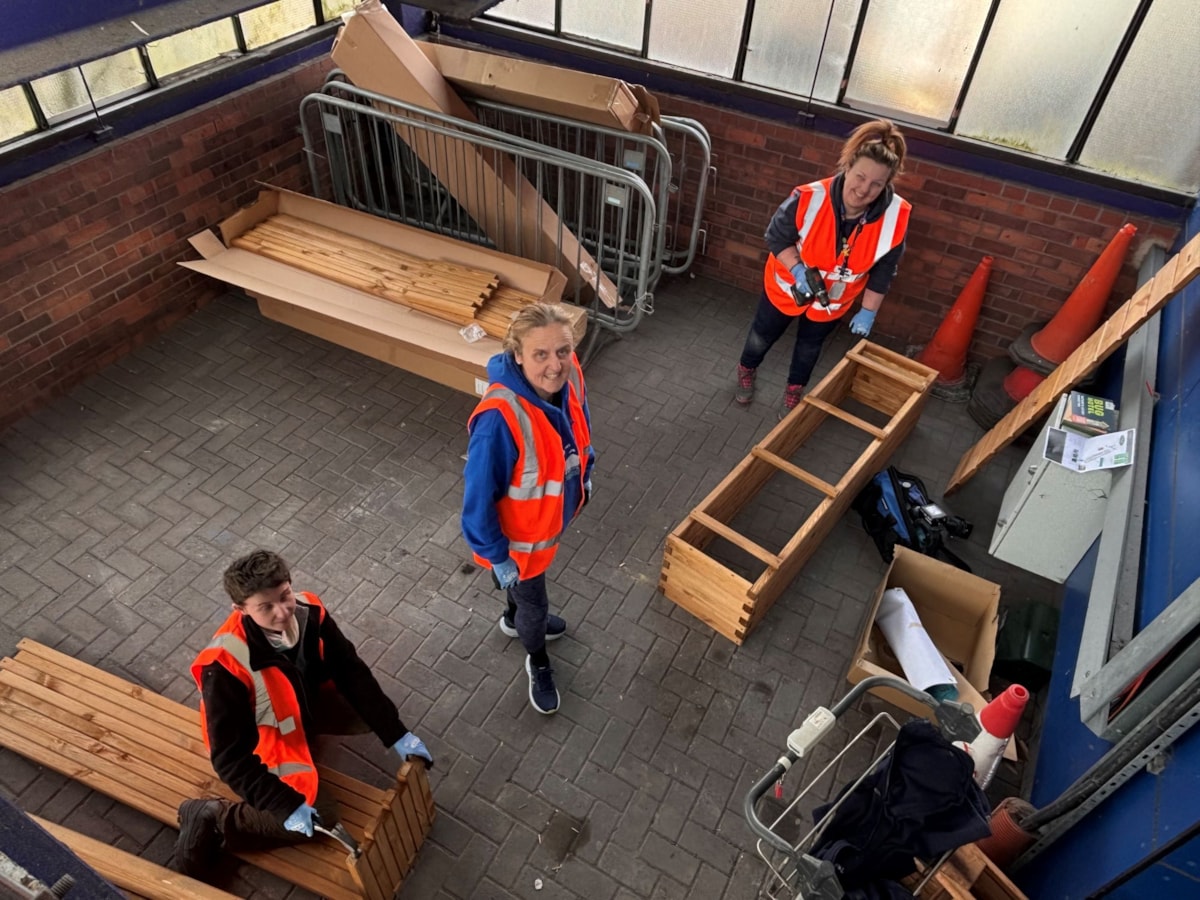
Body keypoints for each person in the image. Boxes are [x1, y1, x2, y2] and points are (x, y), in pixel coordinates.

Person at [175, 549, 433, 878]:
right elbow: (228, 757)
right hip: (265, 739)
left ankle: (311, 734)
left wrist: (396, 732)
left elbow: (350, 671)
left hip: (298, 707)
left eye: (284, 596)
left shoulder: (310, 611)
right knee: (320, 816)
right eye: (266, 607)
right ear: (240, 609)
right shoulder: (224, 664)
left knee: (368, 711)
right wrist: (284, 804)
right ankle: (215, 817)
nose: (282, 612)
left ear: (290, 584)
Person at [461, 302, 595, 716]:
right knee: (535, 605)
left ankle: (513, 614)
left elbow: (577, 425)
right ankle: (536, 657)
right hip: (520, 547)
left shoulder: (568, 378)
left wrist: (585, 472)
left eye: (562, 351)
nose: (555, 366)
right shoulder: (499, 420)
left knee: (525, 600)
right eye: (540, 354)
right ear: (517, 355)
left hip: (544, 528)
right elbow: (477, 502)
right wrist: (499, 557)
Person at [735, 119, 911, 417]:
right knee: (762, 336)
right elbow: (776, 236)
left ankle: (795, 390)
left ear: (887, 184)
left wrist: (868, 311)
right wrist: (798, 271)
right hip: (787, 288)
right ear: (848, 167)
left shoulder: (895, 217)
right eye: (860, 177)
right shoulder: (809, 197)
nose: (864, 189)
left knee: (809, 348)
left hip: (833, 301)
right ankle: (746, 369)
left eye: (876, 184)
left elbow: (885, 270)